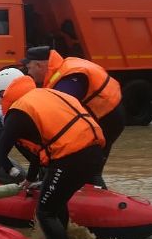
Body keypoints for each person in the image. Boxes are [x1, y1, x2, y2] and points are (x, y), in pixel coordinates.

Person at [0, 70, 106, 239]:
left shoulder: (19, 110)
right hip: (94, 152)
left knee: (45, 212)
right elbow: (39, 149)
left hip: (71, 157)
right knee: (56, 203)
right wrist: (29, 178)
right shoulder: (46, 94)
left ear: (5, 93)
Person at [24, 46, 125, 189]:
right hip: (108, 112)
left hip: (107, 118)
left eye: (29, 68)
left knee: (90, 168)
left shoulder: (67, 79)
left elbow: (62, 114)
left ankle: (97, 198)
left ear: (39, 65)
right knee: (88, 166)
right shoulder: (63, 67)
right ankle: (88, 193)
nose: (28, 73)